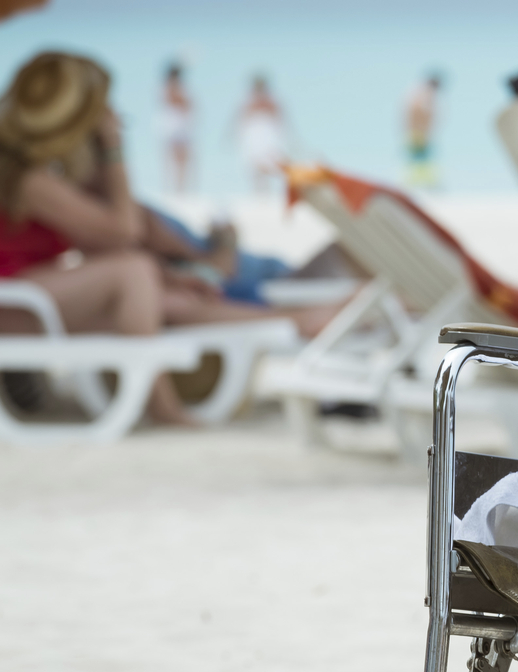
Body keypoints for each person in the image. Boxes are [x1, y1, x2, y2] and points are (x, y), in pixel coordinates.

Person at [0, 51, 330, 426]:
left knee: (167, 296)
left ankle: (299, 320)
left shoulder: (38, 174)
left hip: (26, 301)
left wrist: (168, 276)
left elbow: (108, 242)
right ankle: (161, 405)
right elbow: (124, 232)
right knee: (134, 272)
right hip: (13, 306)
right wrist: (113, 147)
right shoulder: (29, 181)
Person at [232, 73, 287, 194]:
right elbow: (240, 120)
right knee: (254, 165)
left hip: (267, 135)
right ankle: (257, 191)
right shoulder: (247, 101)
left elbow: (280, 119)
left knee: (268, 164)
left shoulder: (272, 101)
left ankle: (266, 190)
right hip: (254, 136)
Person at [156, 60, 193, 193]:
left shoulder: (171, 87)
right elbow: (182, 102)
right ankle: (175, 189)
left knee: (181, 160)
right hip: (174, 127)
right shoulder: (169, 87)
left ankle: (179, 188)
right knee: (176, 159)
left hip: (178, 126)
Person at [403, 71, 442, 187]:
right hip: (418, 134)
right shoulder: (423, 94)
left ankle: (422, 183)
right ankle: (417, 184)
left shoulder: (421, 94)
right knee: (419, 161)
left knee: (421, 160)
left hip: (420, 133)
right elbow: (417, 112)